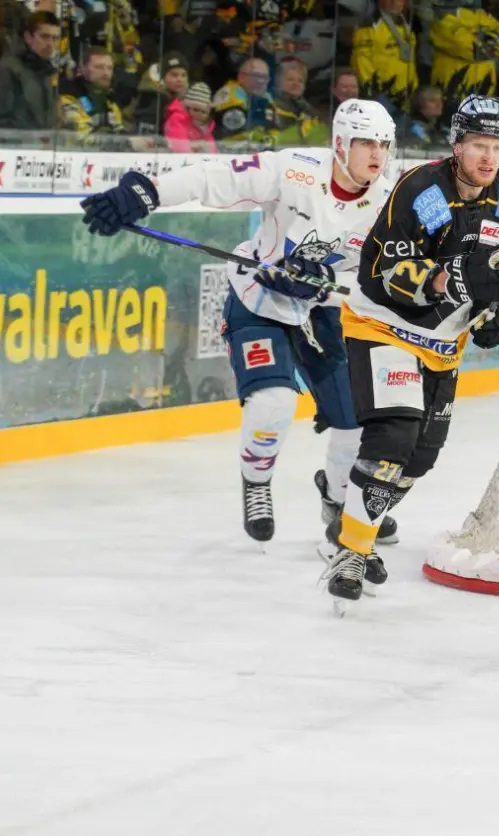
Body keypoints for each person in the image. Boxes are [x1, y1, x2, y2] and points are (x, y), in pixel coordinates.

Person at [78, 100, 403, 570]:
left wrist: (323, 283)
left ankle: (338, 504)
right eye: (365, 143)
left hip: (325, 313)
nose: (376, 154)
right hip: (260, 302)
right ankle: (256, 480)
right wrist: (147, 193)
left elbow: (381, 276)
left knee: (355, 424)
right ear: (339, 143)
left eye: (383, 144)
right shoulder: (295, 169)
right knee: (274, 404)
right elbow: (217, 177)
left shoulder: (389, 202)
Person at [322, 95, 499, 611]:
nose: (488, 157)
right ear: (457, 145)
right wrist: (448, 279)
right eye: (479, 145)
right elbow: (382, 270)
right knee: (395, 432)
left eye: (498, 147)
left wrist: (498, 310)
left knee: (421, 456)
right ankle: (351, 552)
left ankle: (353, 525)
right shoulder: (420, 189)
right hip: (384, 326)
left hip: (441, 344)